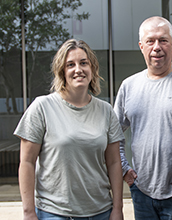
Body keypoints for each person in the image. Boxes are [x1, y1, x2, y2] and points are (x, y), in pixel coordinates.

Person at [14, 39, 125, 220]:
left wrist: (117, 209)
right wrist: (28, 212)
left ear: (92, 69)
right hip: (54, 213)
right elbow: (27, 162)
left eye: (84, 63)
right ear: (62, 72)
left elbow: (114, 163)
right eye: (70, 65)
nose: (78, 69)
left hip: (101, 212)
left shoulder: (106, 111)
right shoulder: (42, 107)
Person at [114, 16, 172, 220]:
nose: (157, 47)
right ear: (141, 46)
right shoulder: (129, 86)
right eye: (150, 41)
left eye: (163, 40)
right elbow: (112, 135)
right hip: (141, 191)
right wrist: (124, 169)